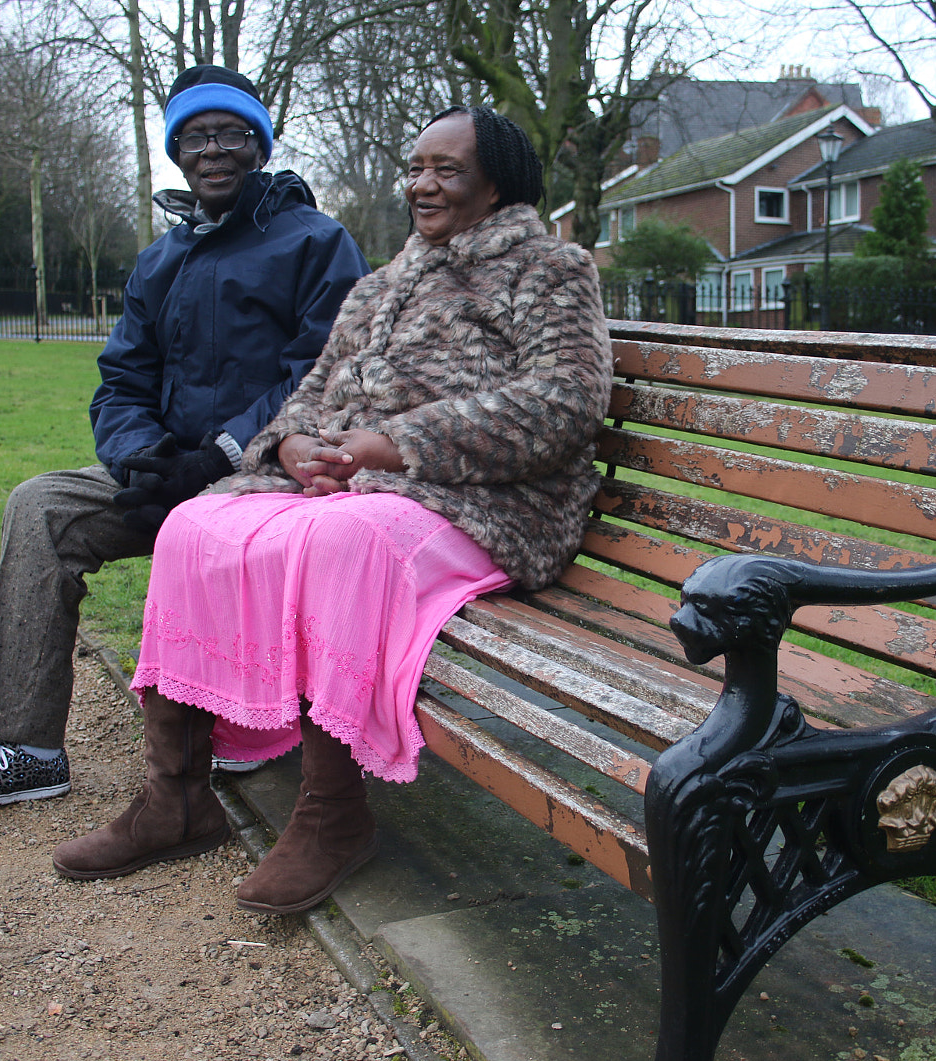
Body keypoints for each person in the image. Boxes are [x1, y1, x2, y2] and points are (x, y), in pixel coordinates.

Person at [50, 106, 613, 914]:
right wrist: (287, 448)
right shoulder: (382, 285)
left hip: (493, 502)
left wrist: (393, 442)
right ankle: (175, 797)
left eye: (447, 170)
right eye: (416, 166)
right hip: (364, 487)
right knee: (193, 525)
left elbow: (564, 402)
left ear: (498, 186)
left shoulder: (549, 270)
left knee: (340, 541)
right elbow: (310, 393)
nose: (423, 183)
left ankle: (334, 816)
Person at [0, 65, 369, 813]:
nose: (211, 149)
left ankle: (240, 725)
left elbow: (322, 374)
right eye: (194, 136)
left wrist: (216, 456)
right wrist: (143, 458)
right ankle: (26, 749)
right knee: (42, 506)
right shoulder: (163, 259)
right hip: (166, 471)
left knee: (206, 522)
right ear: (176, 151)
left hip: (265, 475)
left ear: (258, 143)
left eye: (229, 133)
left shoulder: (317, 242)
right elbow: (122, 377)